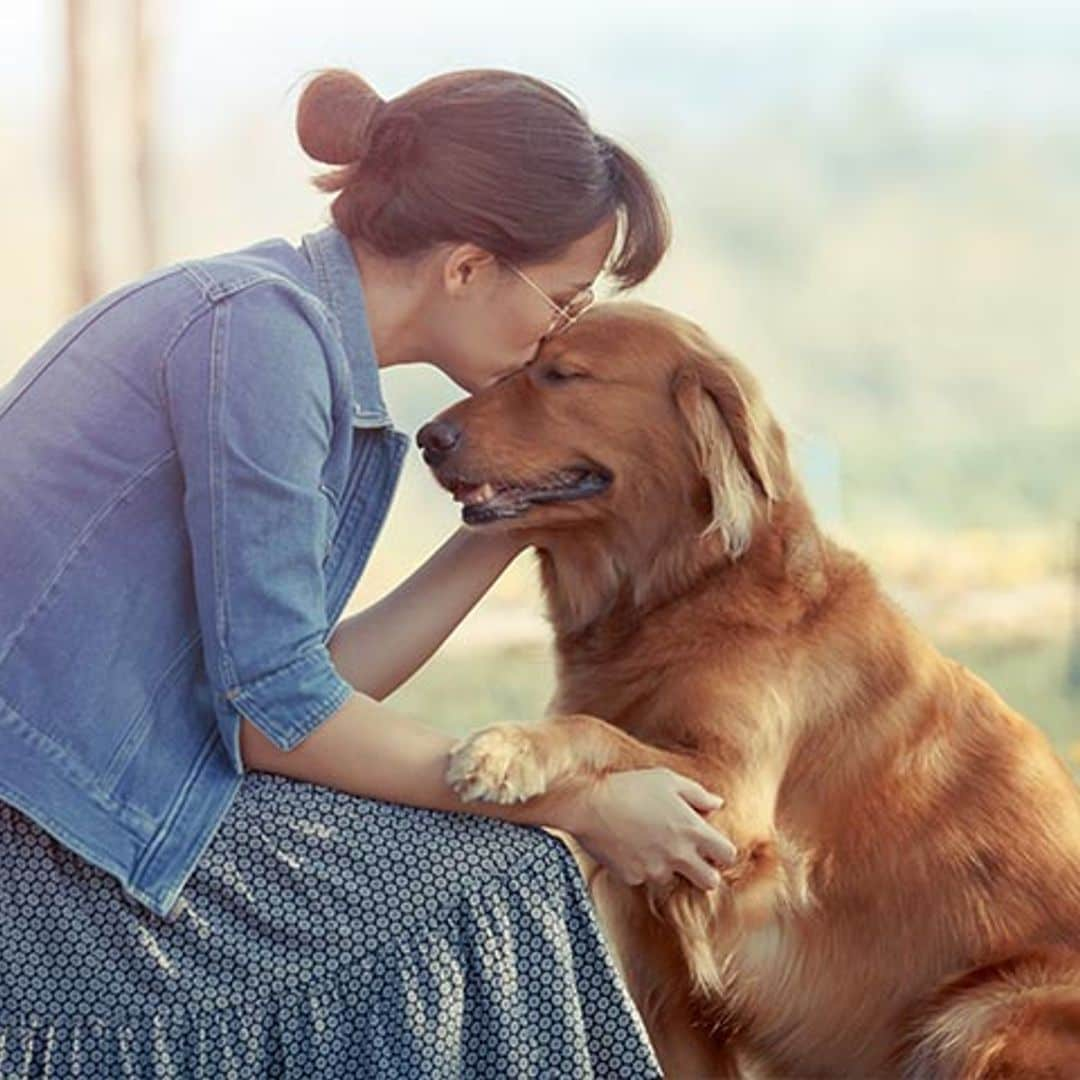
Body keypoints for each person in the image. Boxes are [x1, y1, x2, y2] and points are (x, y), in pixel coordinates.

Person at [0, 67, 736, 1077]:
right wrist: (577, 802)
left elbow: (299, 687)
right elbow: (277, 721)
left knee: (487, 873)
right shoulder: (258, 335)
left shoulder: (281, 329)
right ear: (470, 266)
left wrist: (507, 524)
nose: (559, 336)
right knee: (500, 884)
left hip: (114, 806)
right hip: (43, 852)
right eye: (564, 301)